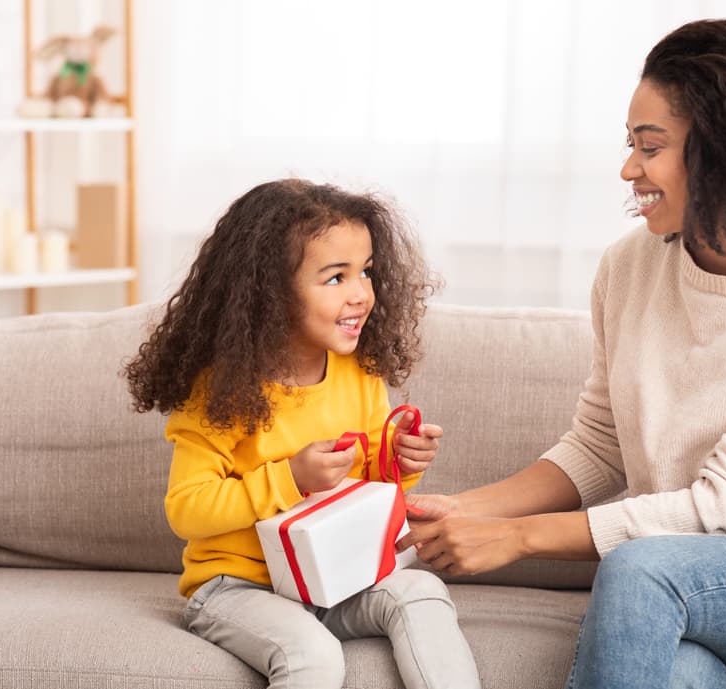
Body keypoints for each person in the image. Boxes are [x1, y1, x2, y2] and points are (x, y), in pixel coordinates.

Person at [399, 18, 726, 689]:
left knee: (639, 568)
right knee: (680, 673)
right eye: (630, 145)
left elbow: (721, 507)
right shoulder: (629, 267)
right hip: (674, 579)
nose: (629, 168)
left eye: (650, 146)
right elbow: (600, 446)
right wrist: (468, 508)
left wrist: (519, 537)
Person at [125, 179, 480, 689]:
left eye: (366, 272)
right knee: (311, 653)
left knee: (420, 592)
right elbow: (187, 509)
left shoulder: (358, 371)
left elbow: (370, 485)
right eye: (336, 278)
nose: (361, 293)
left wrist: (400, 464)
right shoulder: (220, 392)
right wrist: (290, 476)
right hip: (235, 588)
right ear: (269, 294)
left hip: (335, 578)